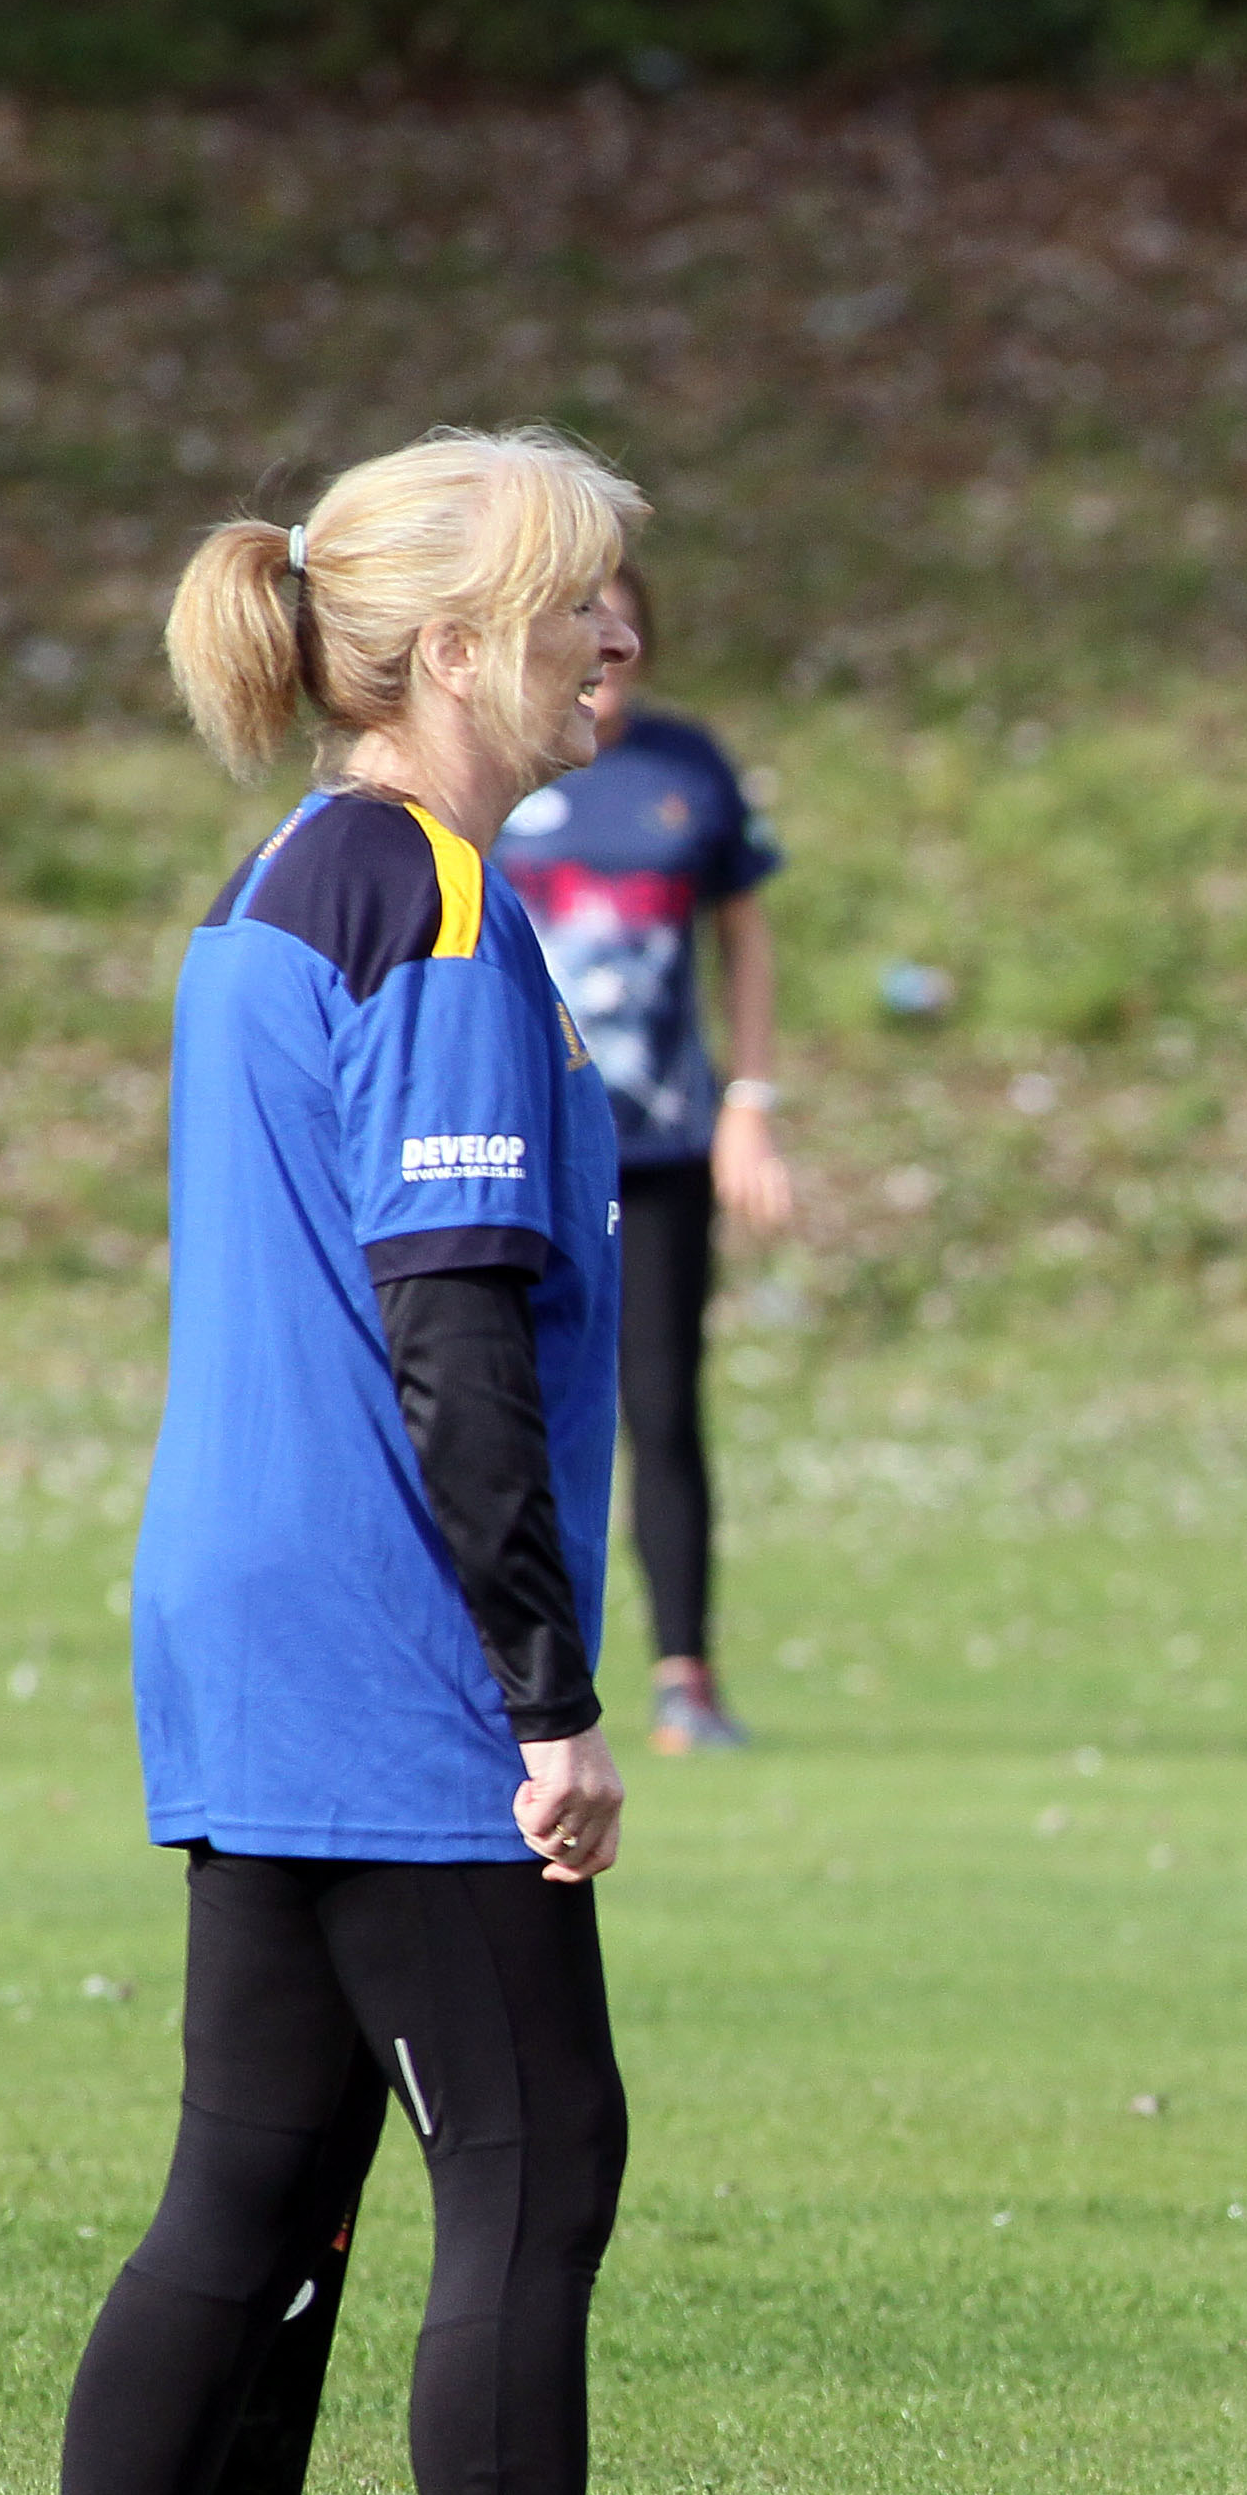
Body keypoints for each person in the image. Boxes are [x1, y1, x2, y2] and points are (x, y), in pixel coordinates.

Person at [0, 428, 840, 2495]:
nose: (620, 639)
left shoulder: (282, 879)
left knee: (246, 2189)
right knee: (539, 2167)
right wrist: (549, 1694)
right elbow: (450, 1323)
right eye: (578, 604)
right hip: (386, 1637)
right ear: (447, 647)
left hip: (241, 1610)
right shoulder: (437, 906)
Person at [490, 559, 789, 1754]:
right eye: (578, 621)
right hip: (517, 1144)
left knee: (660, 1406)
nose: (603, 648)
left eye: (618, 625)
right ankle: (509, 1671)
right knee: (495, 1394)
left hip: (657, 1145)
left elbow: (746, 938)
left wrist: (750, 1102)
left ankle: (685, 1680)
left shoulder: (687, 768)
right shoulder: (499, 772)